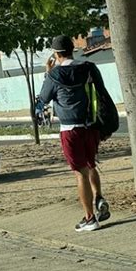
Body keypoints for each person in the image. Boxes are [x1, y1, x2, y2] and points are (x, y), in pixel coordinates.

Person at [39, 35, 110, 232]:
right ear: (72, 49)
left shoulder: (54, 75)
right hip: (91, 125)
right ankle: (99, 197)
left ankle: (90, 219)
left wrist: (48, 73)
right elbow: (102, 91)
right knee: (90, 164)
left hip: (70, 129)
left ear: (56, 54)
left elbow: (43, 99)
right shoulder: (88, 68)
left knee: (79, 172)